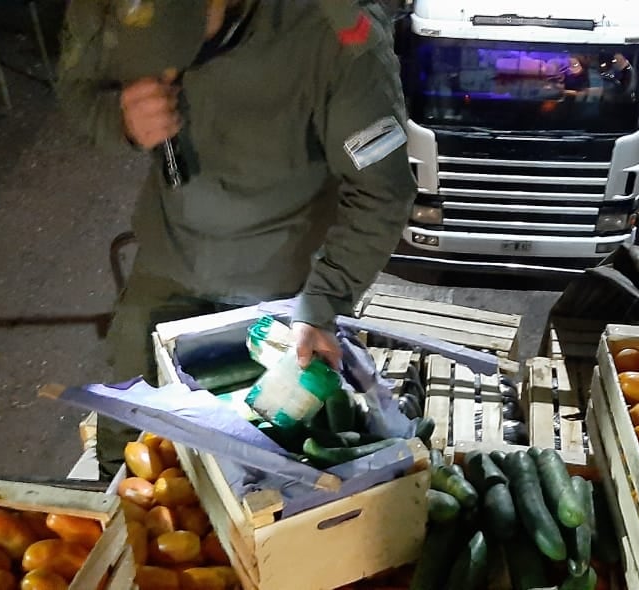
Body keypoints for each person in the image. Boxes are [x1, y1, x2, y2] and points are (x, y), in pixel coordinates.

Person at [57, 0, 417, 478]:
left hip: (283, 282)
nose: (166, 68)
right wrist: (119, 118)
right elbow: (77, 90)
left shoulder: (337, 36)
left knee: (265, 465)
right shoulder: (103, 7)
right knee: (125, 438)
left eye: (181, 40)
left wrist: (325, 299)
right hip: (170, 257)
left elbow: (381, 193)